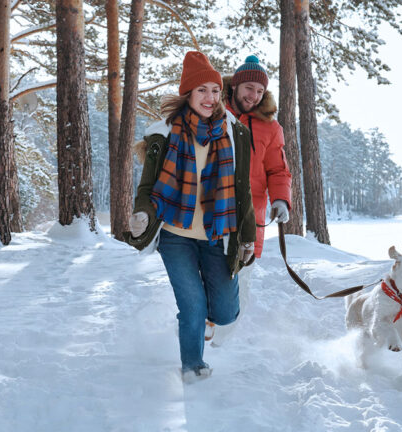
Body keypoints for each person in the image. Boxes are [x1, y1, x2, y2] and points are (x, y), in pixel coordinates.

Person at [123, 51, 256, 383]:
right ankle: (193, 366)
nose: (210, 98)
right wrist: (141, 214)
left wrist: (248, 236)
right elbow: (148, 187)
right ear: (188, 95)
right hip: (175, 235)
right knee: (193, 304)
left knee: (224, 312)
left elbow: (243, 191)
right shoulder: (165, 135)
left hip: (218, 234)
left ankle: (208, 319)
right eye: (202, 91)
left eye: (214, 90)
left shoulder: (233, 132)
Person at [208, 55, 293, 346]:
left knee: (239, 286)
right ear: (235, 86)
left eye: (260, 91)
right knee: (205, 276)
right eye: (249, 88)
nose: (253, 96)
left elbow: (278, 169)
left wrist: (281, 200)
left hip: (250, 220)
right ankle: (197, 339)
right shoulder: (214, 113)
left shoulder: (271, 127)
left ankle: (219, 344)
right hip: (210, 214)